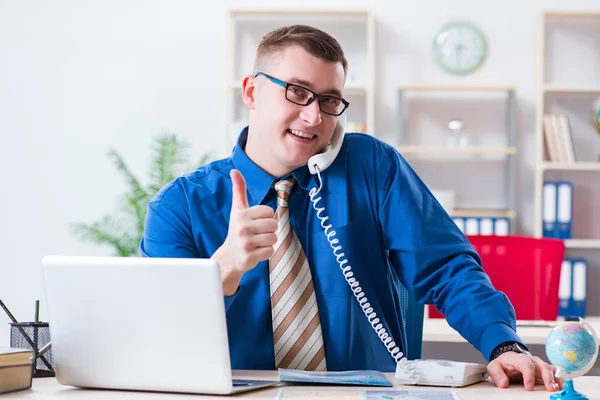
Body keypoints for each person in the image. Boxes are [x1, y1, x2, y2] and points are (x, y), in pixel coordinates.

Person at [141, 24, 563, 392]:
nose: (312, 117)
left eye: (329, 100)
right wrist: (223, 270)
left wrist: (503, 343)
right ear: (252, 91)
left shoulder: (372, 166)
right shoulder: (178, 206)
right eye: (297, 92)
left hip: (367, 394)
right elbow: (157, 333)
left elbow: (447, 267)